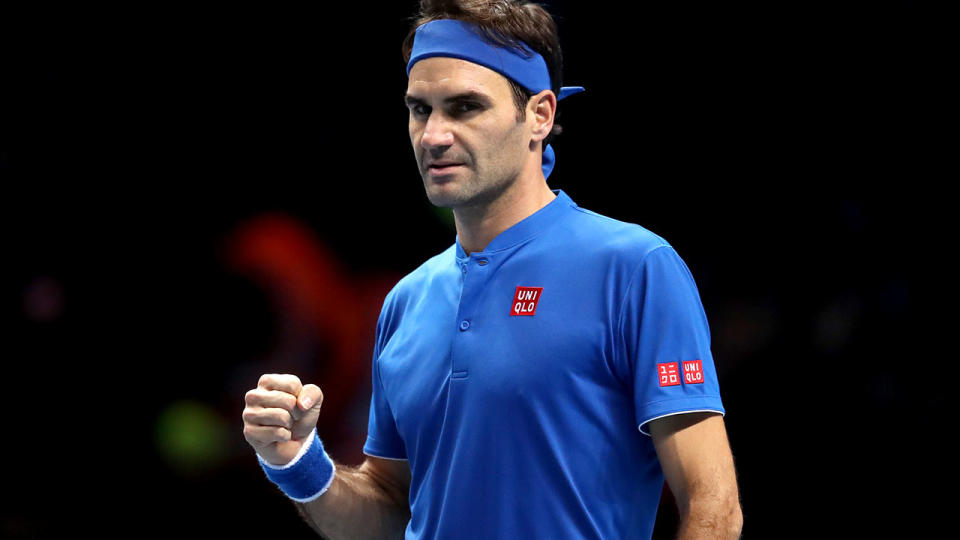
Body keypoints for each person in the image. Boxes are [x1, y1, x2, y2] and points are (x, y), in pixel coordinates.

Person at [242, 1, 743, 538]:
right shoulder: (405, 302)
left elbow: (712, 508)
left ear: (540, 116)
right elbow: (391, 508)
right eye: (420, 109)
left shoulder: (635, 268)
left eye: (464, 107)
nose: (433, 135)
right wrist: (299, 464)